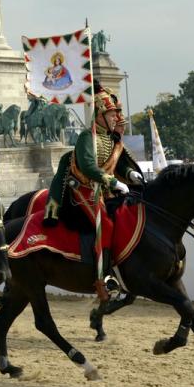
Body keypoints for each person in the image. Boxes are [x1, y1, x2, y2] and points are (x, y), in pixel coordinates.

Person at [43, 81, 142, 302]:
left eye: (116, 114)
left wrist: (129, 173)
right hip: (86, 191)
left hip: (107, 191)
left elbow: (117, 163)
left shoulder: (111, 138)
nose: (116, 118)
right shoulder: (87, 137)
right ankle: (102, 278)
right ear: (99, 114)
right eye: (111, 114)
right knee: (105, 224)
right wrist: (112, 181)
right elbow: (88, 166)